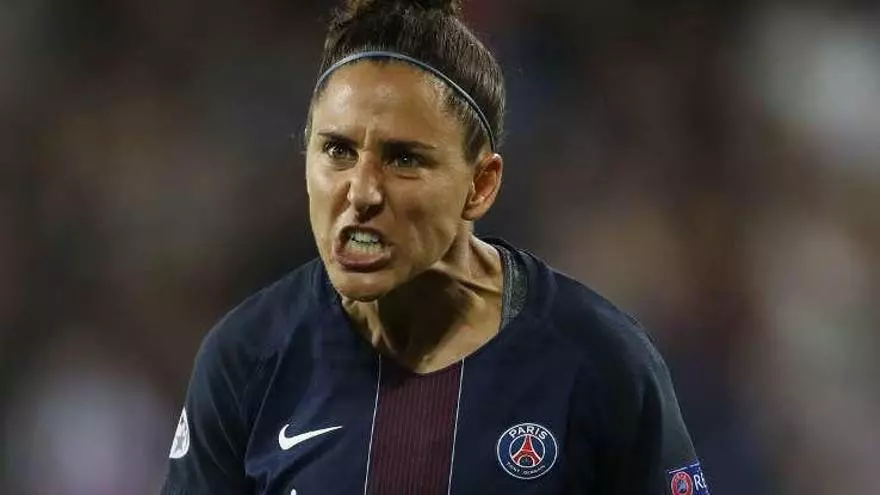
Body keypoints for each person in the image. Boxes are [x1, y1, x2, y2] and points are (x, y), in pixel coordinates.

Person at [161, 0, 710, 493]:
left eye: (404, 159)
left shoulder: (599, 363)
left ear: (480, 186)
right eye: (337, 150)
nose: (362, 192)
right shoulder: (248, 360)